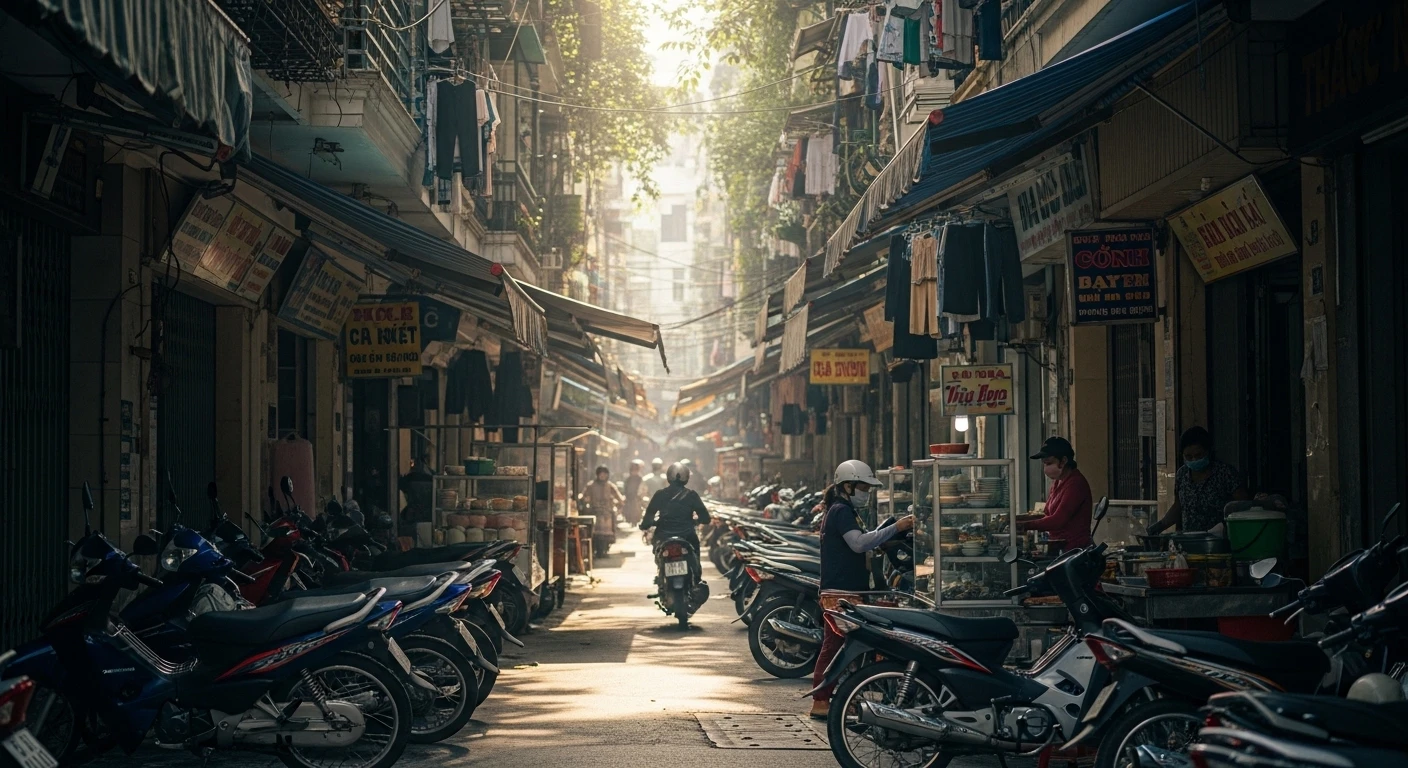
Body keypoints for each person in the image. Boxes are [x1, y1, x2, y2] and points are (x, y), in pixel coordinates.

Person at [810, 459, 914, 720]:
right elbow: (857, 544)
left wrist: (881, 542)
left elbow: (858, 545)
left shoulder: (844, 509)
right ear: (847, 486)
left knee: (848, 649)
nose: (866, 493)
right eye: (863, 488)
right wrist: (896, 527)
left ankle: (847, 699)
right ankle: (821, 701)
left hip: (848, 589)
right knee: (834, 647)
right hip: (839, 592)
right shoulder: (840, 510)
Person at [1148, 427, 1248, 535]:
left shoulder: (1225, 473)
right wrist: (1159, 527)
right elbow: (1179, 506)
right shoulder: (1182, 475)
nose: (1194, 460)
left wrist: (1224, 526)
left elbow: (1243, 505)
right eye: (1189, 456)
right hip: (1190, 541)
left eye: (1198, 455)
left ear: (1208, 451)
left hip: (1220, 540)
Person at [1018, 437, 1093, 553]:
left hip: (1075, 550)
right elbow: (1047, 514)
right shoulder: (1058, 482)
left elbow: (1057, 520)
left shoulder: (1076, 484)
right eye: (1044, 464)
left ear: (1063, 461)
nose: (1046, 468)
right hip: (1059, 547)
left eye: (1049, 463)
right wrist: (1018, 520)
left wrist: (1024, 526)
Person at [640, 462, 712, 562]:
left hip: (663, 534)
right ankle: (696, 576)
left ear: (668, 477)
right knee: (695, 557)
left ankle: (661, 572)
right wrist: (696, 521)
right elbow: (705, 518)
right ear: (686, 478)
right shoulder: (692, 495)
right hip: (687, 534)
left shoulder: (660, 494)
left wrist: (645, 525)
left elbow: (649, 515)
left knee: (658, 555)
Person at [581, 465, 624, 556]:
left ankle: (605, 549)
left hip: (607, 513)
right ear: (597, 475)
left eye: (605, 474)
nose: (603, 476)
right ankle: (597, 549)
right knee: (595, 534)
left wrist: (618, 506)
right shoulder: (591, 485)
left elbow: (619, 498)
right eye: (601, 474)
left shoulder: (610, 486)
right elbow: (584, 496)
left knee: (607, 534)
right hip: (595, 512)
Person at [623, 459, 645, 526]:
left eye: (636, 470)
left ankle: (635, 521)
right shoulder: (628, 479)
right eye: (633, 470)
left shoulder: (640, 478)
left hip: (636, 496)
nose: (634, 472)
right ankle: (631, 520)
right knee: (630, 509)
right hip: (629, 496)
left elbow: (642, 487)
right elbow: (626, 487)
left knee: (636, 509)